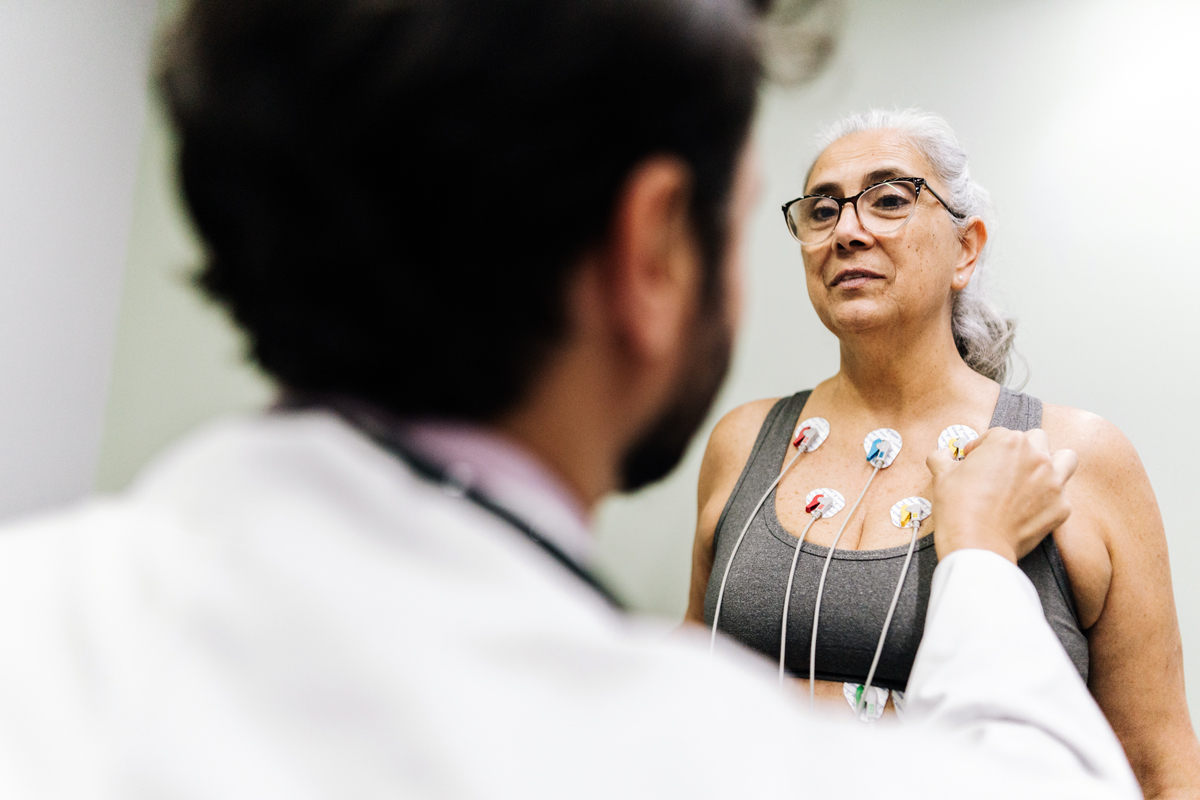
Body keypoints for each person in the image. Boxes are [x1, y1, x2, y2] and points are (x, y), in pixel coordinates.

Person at [0, 2, 1138, 798]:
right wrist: (981, 562)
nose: (846, 230)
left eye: (889, 199)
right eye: (800, 207)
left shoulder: (30, 615)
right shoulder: (681, 745)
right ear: (652, 252)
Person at [686, 107, 1198, 797]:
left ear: (966, 249)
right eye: (822, 210)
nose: (848, 230)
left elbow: (1157, 765)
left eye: (889, 200)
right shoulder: (743, 441)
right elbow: (683, 700)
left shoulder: (1078, 457)